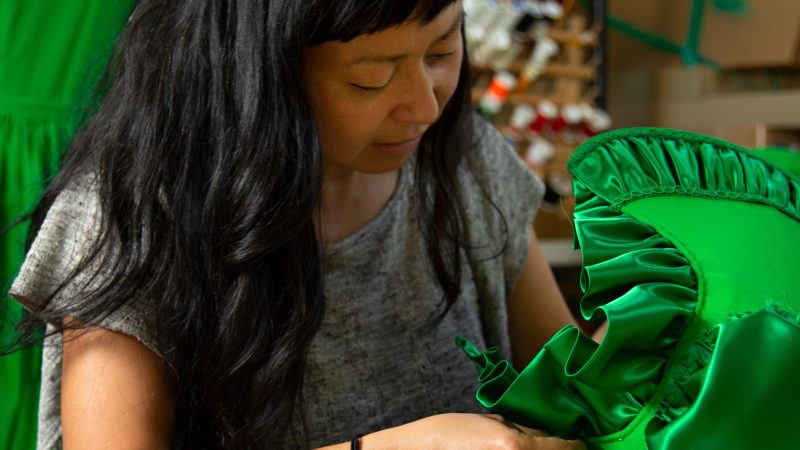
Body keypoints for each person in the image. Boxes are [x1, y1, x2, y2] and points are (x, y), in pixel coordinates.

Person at [8, 0, 584, 448]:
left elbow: (569, 384)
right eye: (371, 79)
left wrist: (623, 353)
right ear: (258, 75)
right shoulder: (130, 214)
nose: (425, 106)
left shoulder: (461, 161)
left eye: (441, 51)